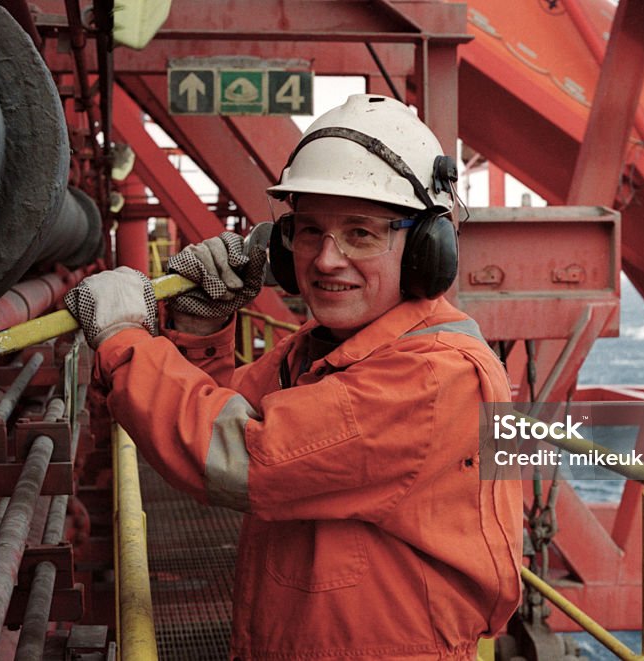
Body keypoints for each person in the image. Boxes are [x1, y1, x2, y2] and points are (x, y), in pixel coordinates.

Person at [65, 94, 522, 660]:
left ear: (426, 251)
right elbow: (223, 412)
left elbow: (239, 457)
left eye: (361, 234)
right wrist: (202, 328)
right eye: (309, 232)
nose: (326, 260)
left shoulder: (433, 378)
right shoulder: (325, 347)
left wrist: (123, 338)